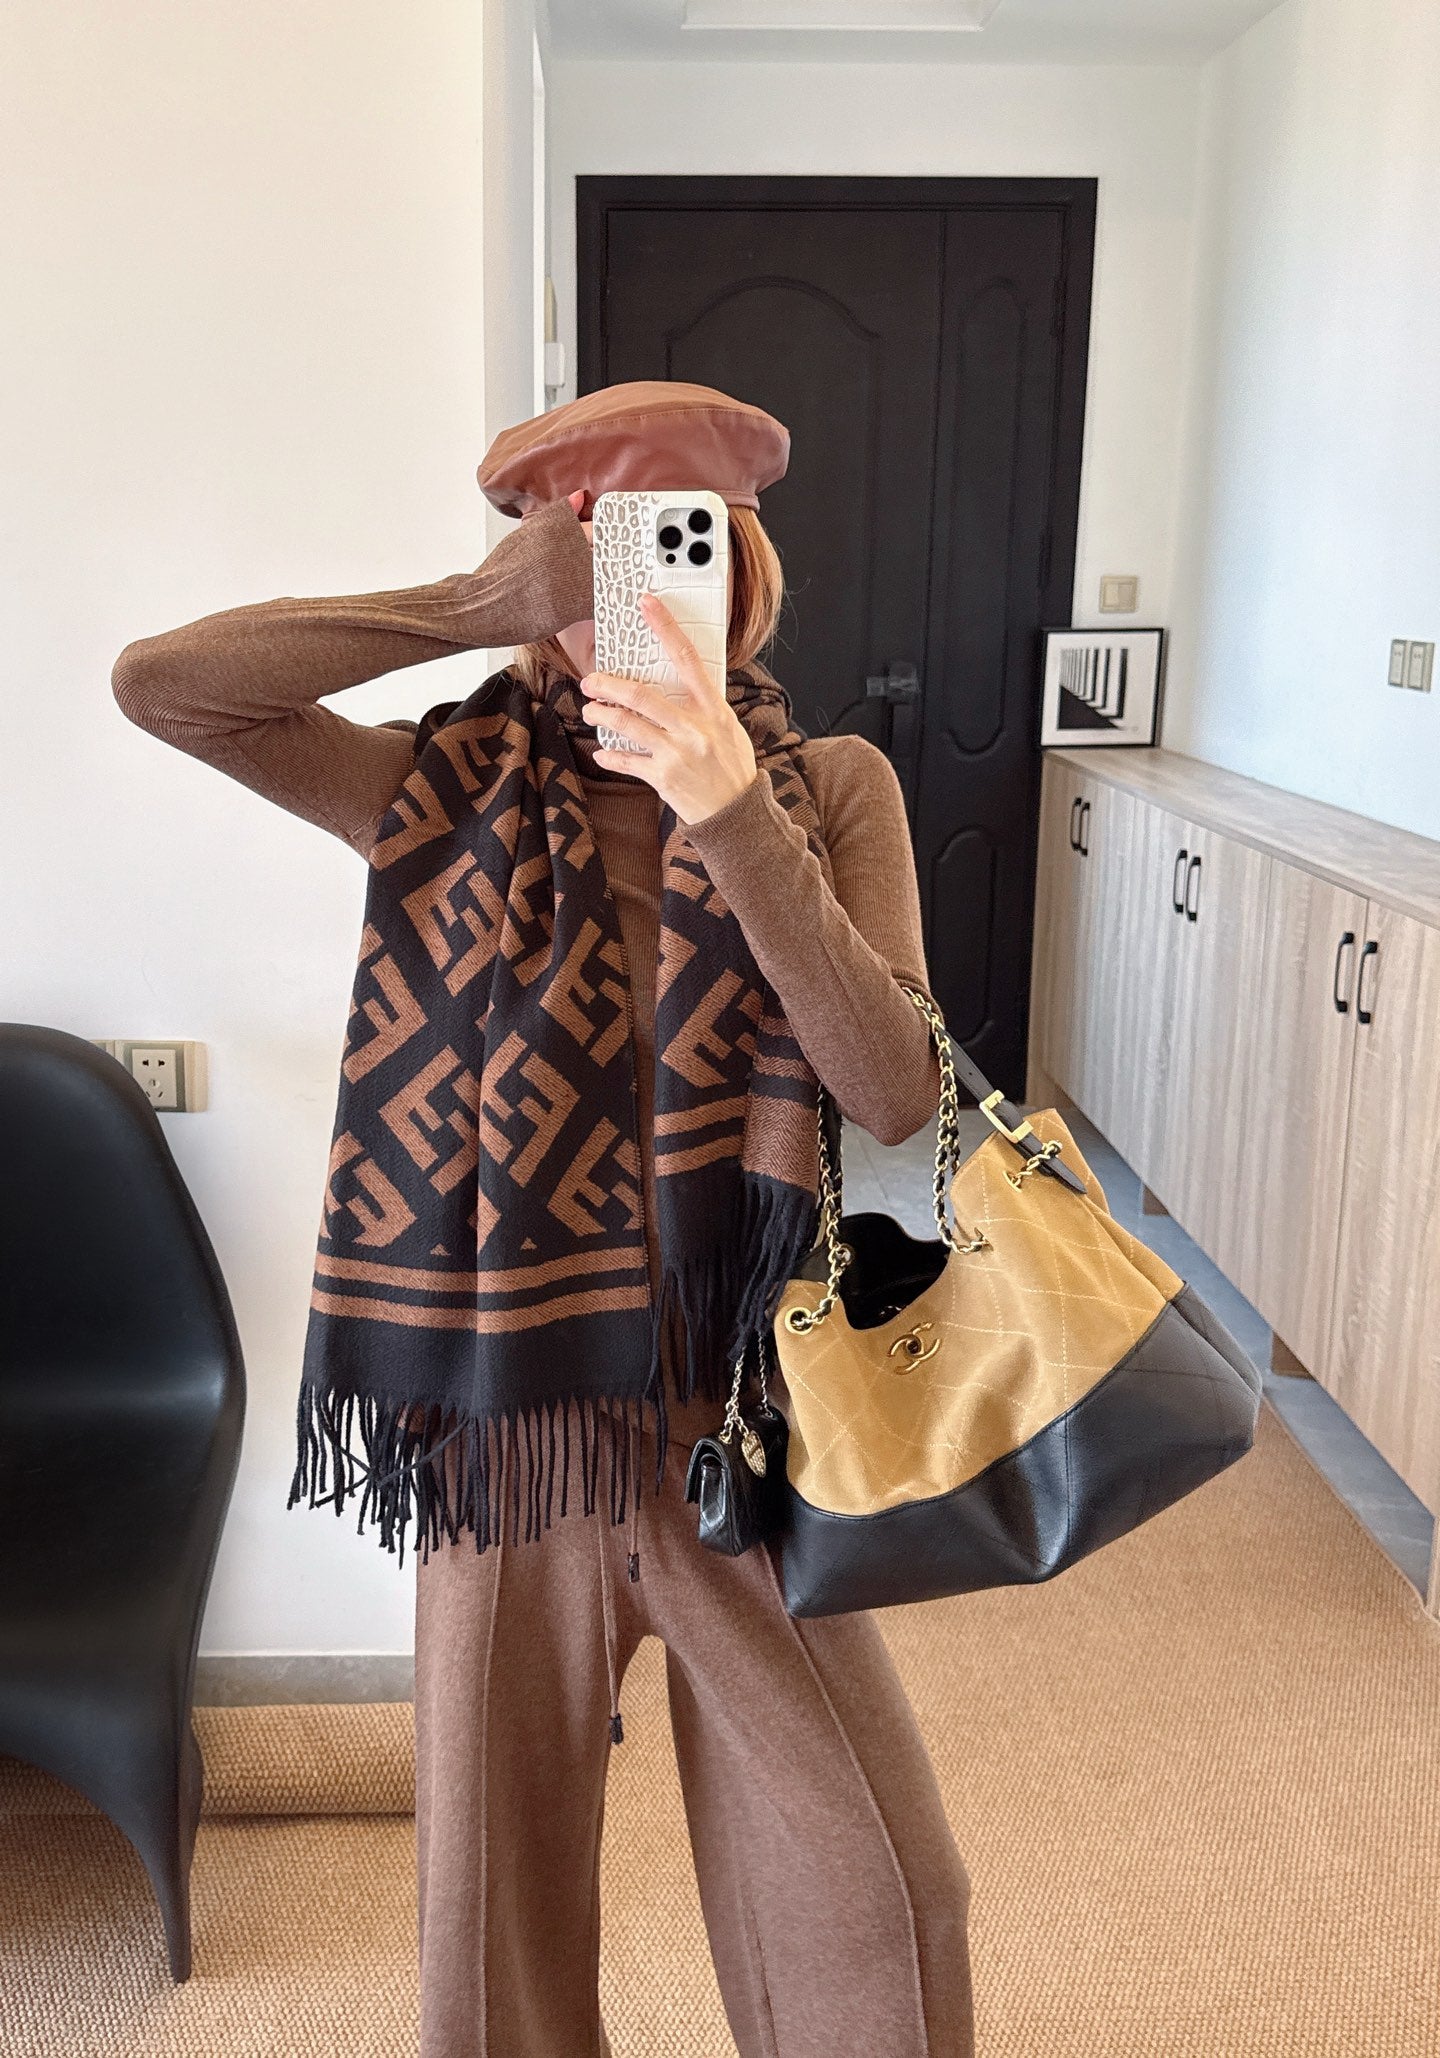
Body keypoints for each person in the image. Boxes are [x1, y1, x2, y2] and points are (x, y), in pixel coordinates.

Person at [111, 380, 975, 2058]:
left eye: (678, 544)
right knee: (489, 1940)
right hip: (509, 1442)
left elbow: (892, 1093)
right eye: (596, 556)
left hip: (746, 1434)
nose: (631, 596)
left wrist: (731, 806)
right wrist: (469, 604)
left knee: (884, 1901)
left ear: (744, 574)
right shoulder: (439, 791)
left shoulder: (831, 786)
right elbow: (167, 688)